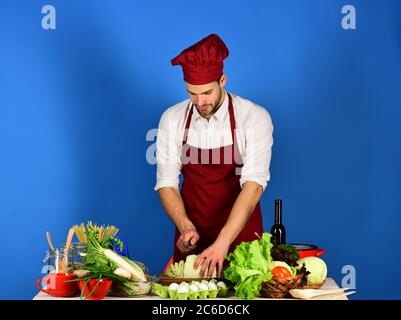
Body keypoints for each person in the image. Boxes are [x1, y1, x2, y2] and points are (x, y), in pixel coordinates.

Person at [155, 34, 273, 278]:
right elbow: (166, 183)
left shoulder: (253, 118)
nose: (200, 102)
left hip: (241, 240)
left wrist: (223, 242)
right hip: (192, 241)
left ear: (223, 80)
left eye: (207, 92)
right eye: (192, 93)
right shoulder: (172, 119)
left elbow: (253, 187)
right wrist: (184, 226)